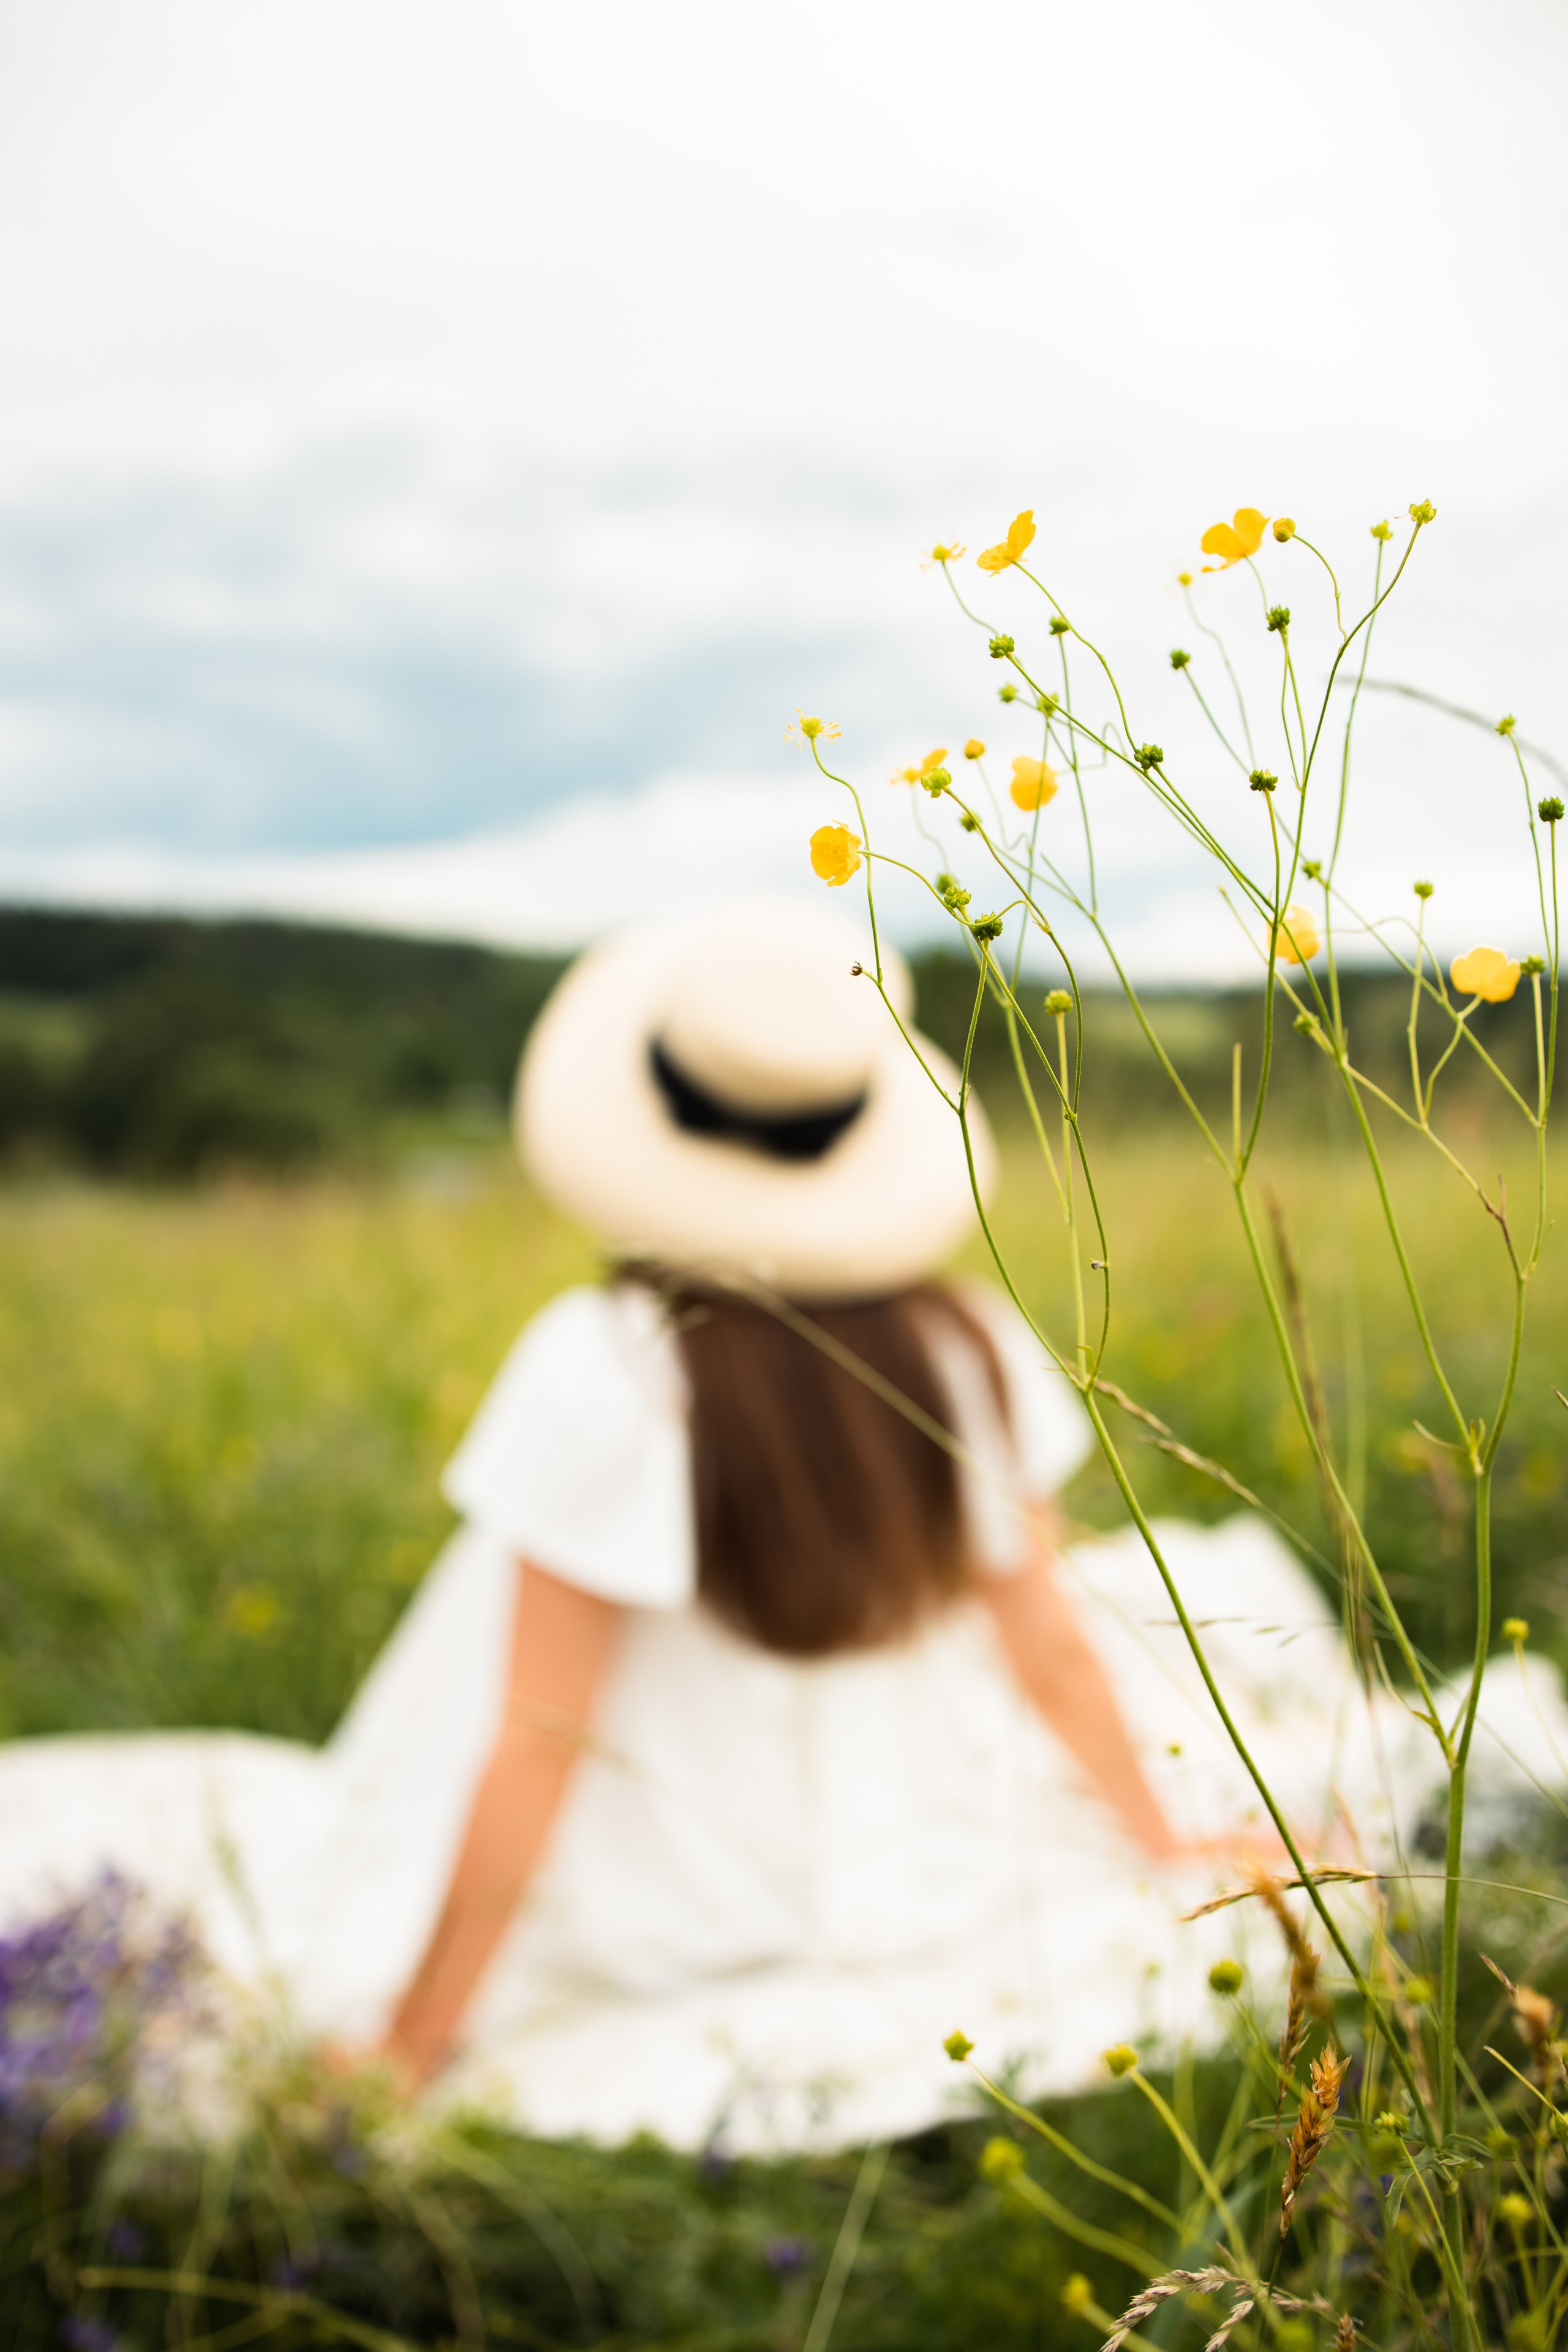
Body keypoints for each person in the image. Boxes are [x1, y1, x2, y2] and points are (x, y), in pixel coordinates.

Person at [0, 903, 1559, 2152]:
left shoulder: (606, 1364)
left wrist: (413, 2045)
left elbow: (538, 1739)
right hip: (894, 1826)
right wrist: (1156, 1845)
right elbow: (1046, 1648)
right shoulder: (962, 1343)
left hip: (662, 1872)